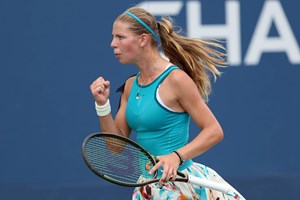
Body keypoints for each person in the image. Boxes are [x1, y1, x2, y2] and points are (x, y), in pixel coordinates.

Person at [90, 6, 244, 200]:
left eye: (120, 37)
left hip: (180, 184)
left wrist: (176, 156)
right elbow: (116, 146)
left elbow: (214, 131)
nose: (113, 44)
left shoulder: (176, 80)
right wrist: (102, 106)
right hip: (149, 186)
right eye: (113, 37)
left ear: (143, 39)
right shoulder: (130, 86)